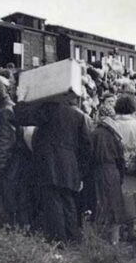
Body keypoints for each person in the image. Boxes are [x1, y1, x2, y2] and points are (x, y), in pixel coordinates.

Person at [14, 96, 92, 245]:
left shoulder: (49, 109)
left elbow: (23, 117)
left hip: (50, 162)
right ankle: (73, 237)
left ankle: (57, 239)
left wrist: (23, 100)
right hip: (70, 165)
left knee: (52, 200)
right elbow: (86, 146)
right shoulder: (79, 116)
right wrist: (81, 171)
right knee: (68, 201)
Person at [0, 77, 34, 226]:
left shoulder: (4, 111)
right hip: (16, 158)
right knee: (16, 194)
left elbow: (7, 142)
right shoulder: (7, 107)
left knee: (10, 194)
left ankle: (13, 225)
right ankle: (18, 225)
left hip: (12, 160)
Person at [114, 95, 136, 241]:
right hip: (133, 164)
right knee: (133, 194)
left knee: (117, 194)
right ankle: (131, 228)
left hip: (116, 163)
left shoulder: (113, 124)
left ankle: (118, 228)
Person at [90, 105, 126, 245]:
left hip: (99, 170)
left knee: (100, 201)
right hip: (114, 170)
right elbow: (121, 158)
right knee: (115, 203)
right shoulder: (116, 133)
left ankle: (98, 237)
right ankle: (114, 238)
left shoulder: (95, 133)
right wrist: (121, 174)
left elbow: (89, 155)